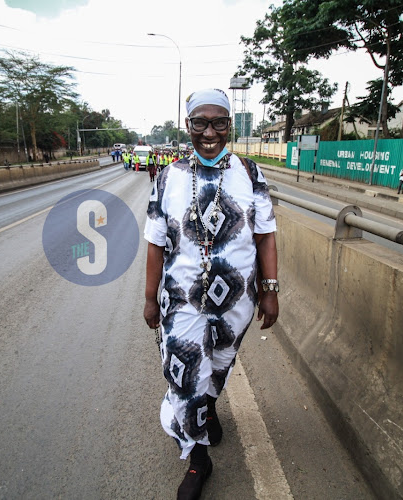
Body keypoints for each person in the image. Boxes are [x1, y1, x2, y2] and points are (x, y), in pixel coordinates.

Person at [144, 88, 279, 500]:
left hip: (235, 302)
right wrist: (150, 297)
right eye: (200, 122)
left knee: (218, 365)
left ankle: (210, 406)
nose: (209, 132)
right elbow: (154, 240)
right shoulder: (169, 177)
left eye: (219, 122)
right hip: (181, 299)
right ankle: (197, 456)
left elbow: (266, 236)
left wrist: (269, 289)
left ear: (230, 127)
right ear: (188, 126)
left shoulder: (251, 174)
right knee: (185, 375)